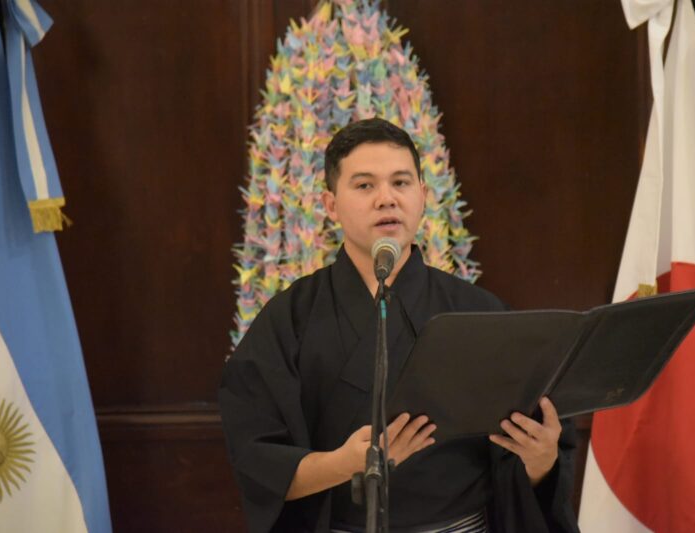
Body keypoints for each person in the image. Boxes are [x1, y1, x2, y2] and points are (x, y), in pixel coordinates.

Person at [219, 118, 579, 532]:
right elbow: (258, 466)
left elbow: (526, 469)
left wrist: (541, 461)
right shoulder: (289, 319)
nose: (386, 199)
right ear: (330, 205)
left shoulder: (480, 312)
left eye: (401, 182)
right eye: (364, 185)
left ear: (422, 195)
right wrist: (345, 463)